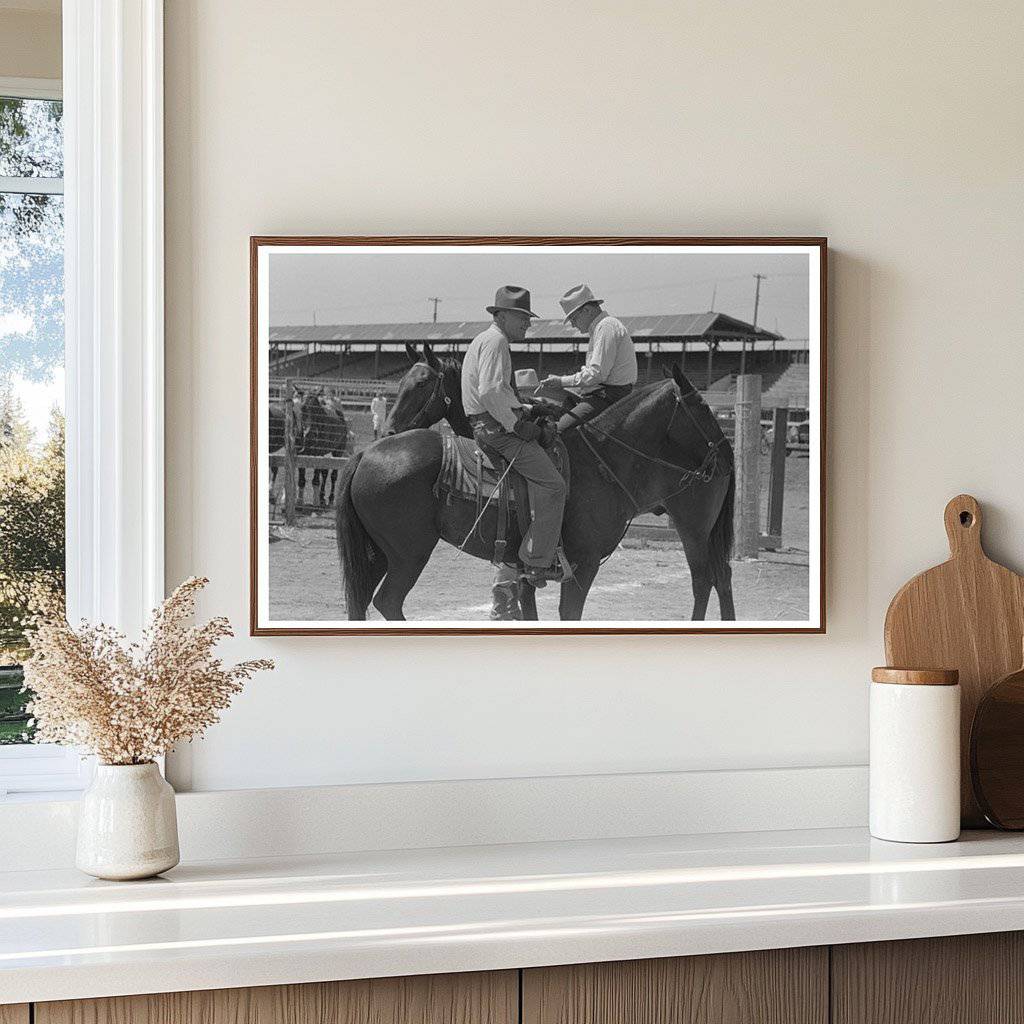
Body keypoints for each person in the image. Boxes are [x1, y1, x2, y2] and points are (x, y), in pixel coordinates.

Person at [463, 285, 568, 586]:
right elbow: (491, 391)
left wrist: (525, 407)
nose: (528, 324)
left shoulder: (485, 339)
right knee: (554, 485)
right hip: (499, 432)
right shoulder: (496, 342)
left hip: (486, 423)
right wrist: (517, 424)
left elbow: (494, 392)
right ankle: (536, 562)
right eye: (523, 317)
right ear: (505, 315)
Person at [540, 284, 638, 432]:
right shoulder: (602, 327)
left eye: (573, 318)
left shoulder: (606, 327)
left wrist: (561, 381)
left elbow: (597, 374)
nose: (573, 324)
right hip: (605, 392)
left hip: (608, 396)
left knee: (557, 430)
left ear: (586, 310)